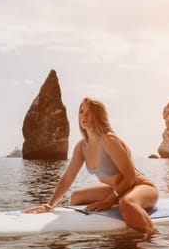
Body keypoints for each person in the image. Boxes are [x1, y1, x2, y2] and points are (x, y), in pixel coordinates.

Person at [23, 97, 159, 234]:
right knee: (76, 197)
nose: (84, 116)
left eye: (89, 113)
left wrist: (109, 202)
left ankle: (153, 239)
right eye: (81, 112)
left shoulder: (109, 141)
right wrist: (49, 205)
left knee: (127, 203)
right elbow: (68, 177)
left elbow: (129, 177)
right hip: (117, 189)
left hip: (140, 186)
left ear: (98, 116)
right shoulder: (82, 146)